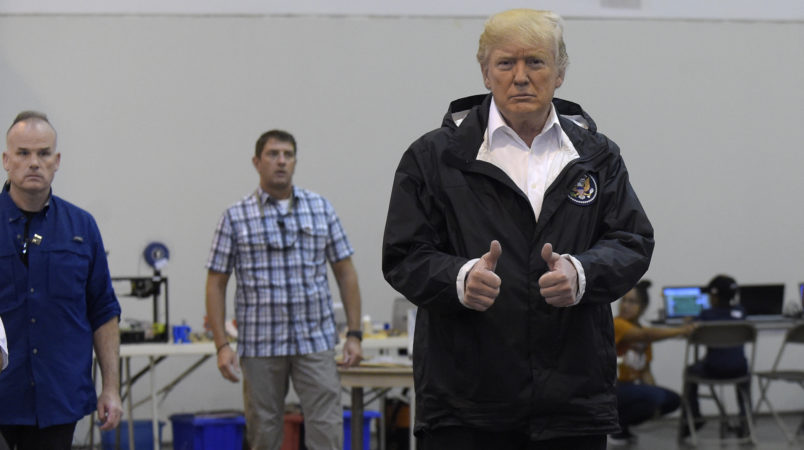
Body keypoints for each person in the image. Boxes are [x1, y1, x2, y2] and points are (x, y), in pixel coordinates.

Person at [381, 9, 654, 450]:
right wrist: (459, 278)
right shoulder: (433, 157)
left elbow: (632, 240)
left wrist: (582, 273)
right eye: (506, 63)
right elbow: (404, 254)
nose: (521, 77)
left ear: (560, 72)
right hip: (467, 403)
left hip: (571, 401)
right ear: (485, 72)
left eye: (536, 62)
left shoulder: (597, 157)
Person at [205, 129, 364, 450]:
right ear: (256, 161)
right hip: (260, 346)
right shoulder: (235, 217)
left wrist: (355, 334)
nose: (281, 161)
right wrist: (222, 345)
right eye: (273, 154)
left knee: (327, 431)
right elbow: (216, 282)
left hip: (315, 342)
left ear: (295, 161)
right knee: (264, 434)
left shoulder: (320, 208)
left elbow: (345, 273)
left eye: (288, 155)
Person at [0, 111, 122, 448]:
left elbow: (104, 311)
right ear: (6, 160)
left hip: (58, 398)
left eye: (43, 153)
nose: (34, 162)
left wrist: (111, 388)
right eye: (23, 153)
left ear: (57, 161)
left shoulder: (82, 228)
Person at [611, 280, 694, 445]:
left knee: (673, 400)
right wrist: (682, 331)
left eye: (632, 302)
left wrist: (654, 395)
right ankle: (615, 427)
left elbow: (645, 370)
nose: (626, 306)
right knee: (654, 397)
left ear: (642, 307)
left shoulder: (643, 331)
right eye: (624, 300)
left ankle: (623, 427)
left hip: (632, 387)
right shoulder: (617, 324)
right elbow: (644, 335)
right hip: (614, 388)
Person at [681, 274, 750, 437]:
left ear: (714, 296)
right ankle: (745, 422)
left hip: (712, 370)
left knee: (689, 371)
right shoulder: (741, 312)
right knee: (743, 371)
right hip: (739, 371)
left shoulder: (706, 315)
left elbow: (688, 332)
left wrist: (687, 322)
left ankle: (695, 418)